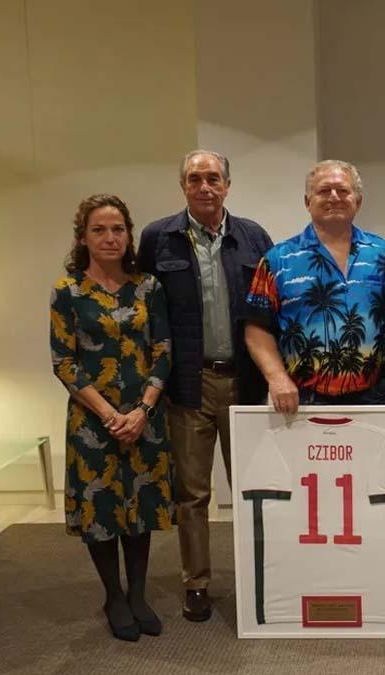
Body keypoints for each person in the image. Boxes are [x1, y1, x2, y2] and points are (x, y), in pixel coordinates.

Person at [138, 150, 274, 622]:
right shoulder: (158, 239)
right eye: (195, 178)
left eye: (213, 178)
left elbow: (269, 310)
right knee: (192, 494)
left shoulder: (253, 237)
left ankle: (262, 575)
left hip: (245, 384)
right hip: (188, 385)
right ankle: (196, 583)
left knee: (253, 487)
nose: (204, 186)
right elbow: (146, 314)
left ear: (227, 185)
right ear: (183, 186)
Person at [49, 194, 173, 641]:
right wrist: (108, 413)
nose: (110, 237)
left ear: (129, 233)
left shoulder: (149, 288)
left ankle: (137, 594)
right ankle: (113, 596)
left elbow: (163, 351)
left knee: (139, 508)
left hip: (145, 417)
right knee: (102, 510)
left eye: (118, 228)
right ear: (83, 236)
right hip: (92, 422)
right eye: (99, 229)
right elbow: (63, 360)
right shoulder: (68, 291)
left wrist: (141, 410)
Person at [245, 160, 385, 411]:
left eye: (343, 190)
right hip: (302, 402)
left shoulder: (384, 254)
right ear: (307, 202)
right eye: (324, 191)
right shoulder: (277, 260)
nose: (334, 197)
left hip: (376, 400)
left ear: (358, 201)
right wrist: (277, 378)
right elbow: (256, 329)